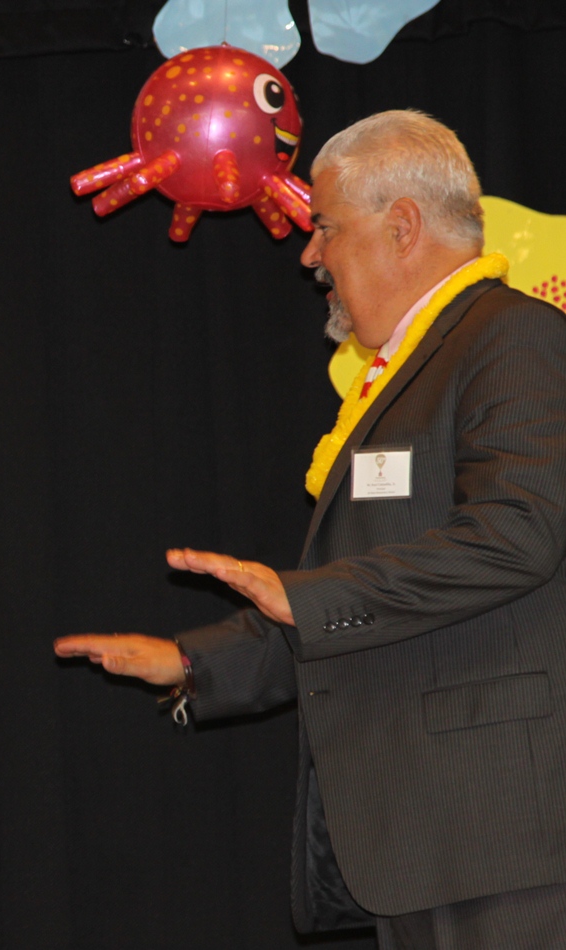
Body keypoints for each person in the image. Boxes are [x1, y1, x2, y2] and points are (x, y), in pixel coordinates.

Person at [55, 110, 566, 948]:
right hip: (427, 837)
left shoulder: (511, 337)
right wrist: (194, 661)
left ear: (402, 225)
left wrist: (310, 598)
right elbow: (369, 588)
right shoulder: (411, 370)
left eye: (325, 227)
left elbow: (517, 534)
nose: (310, 255)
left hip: (502, 834)